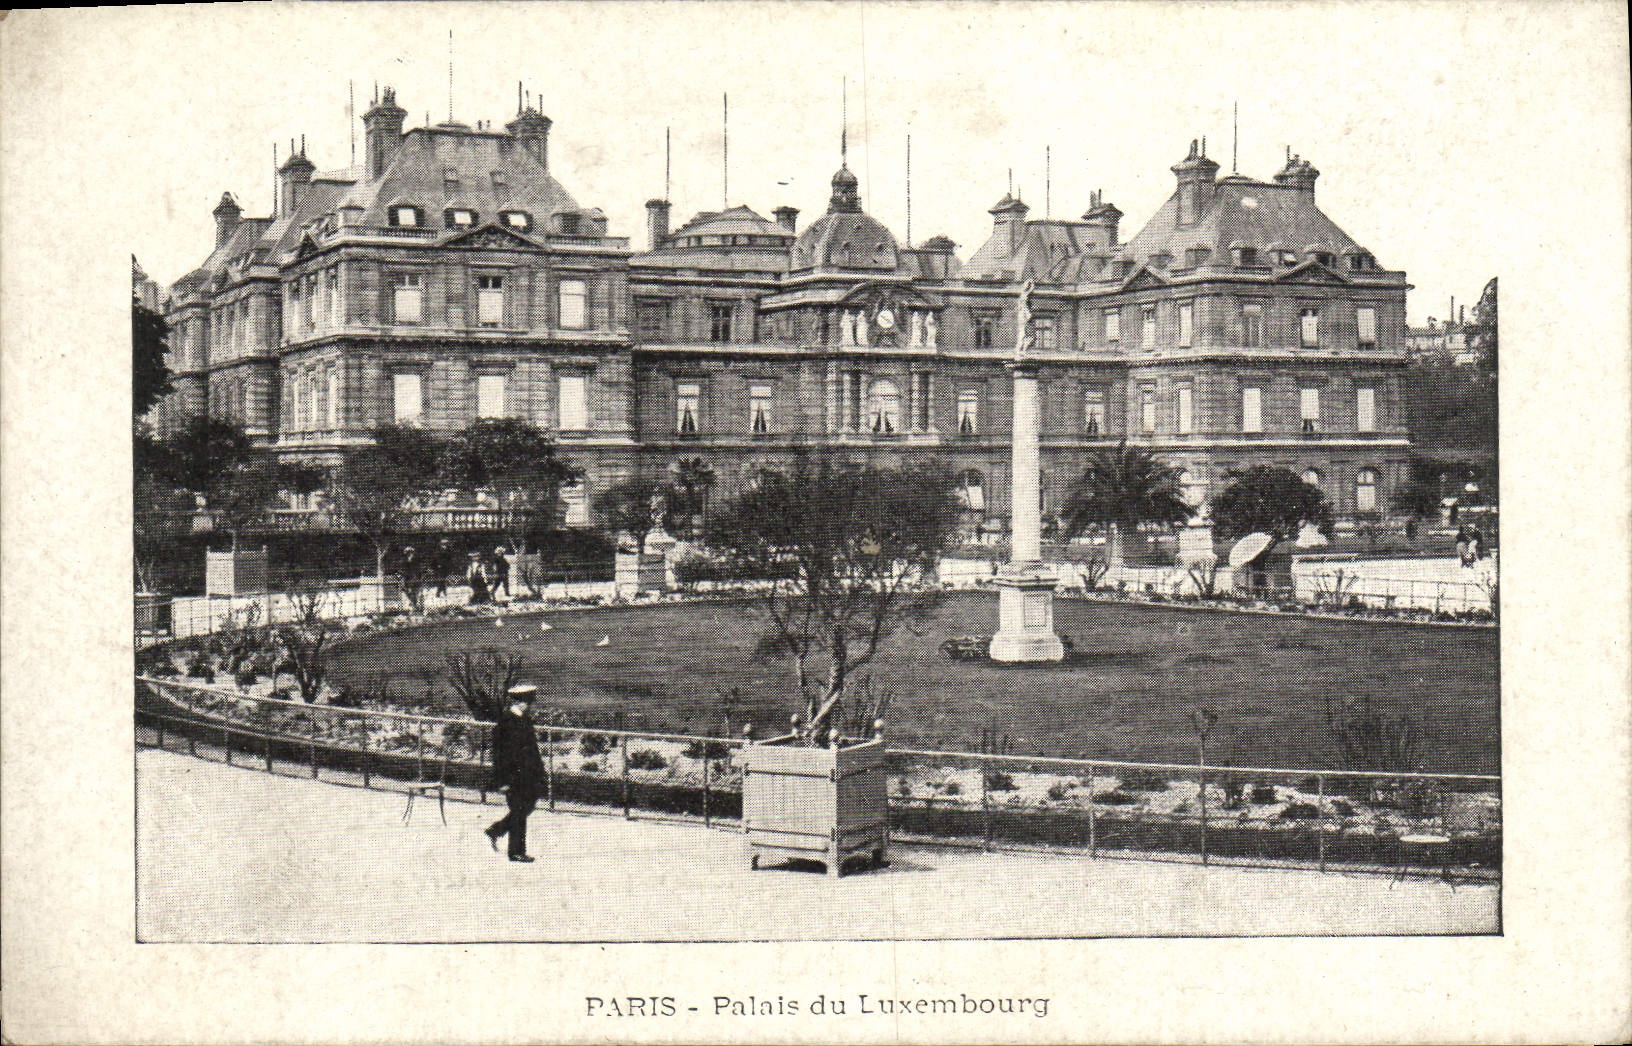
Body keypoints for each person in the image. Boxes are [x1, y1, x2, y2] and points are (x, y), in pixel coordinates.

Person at [485, 685, 546, 863]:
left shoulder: (525, 720)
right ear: (517, 702)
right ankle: (516, 851)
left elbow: (533, 750)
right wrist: (502, 780)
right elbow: (498, 755)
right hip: (513, 777)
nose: (528, 706)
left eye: (528, 702)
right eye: (525, 702)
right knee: (519, 811)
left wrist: (540, 773)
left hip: (529, 775)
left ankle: (496, 830)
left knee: (526, 808)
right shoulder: (505, 722)